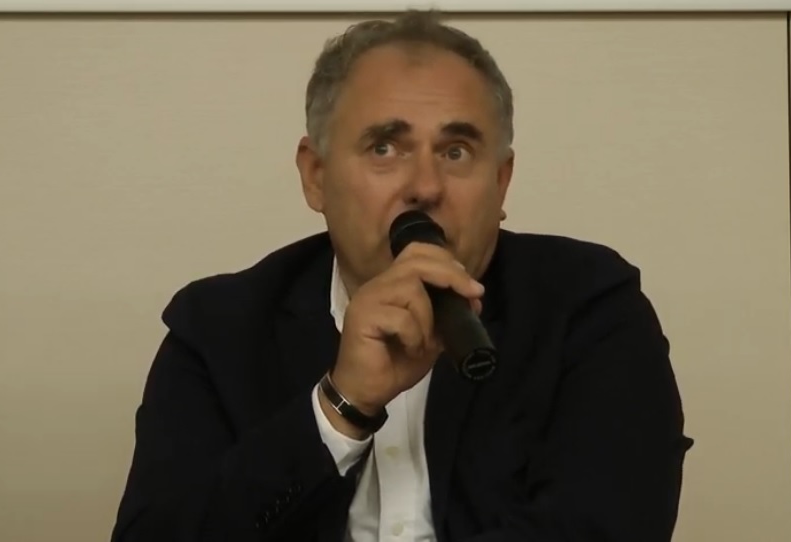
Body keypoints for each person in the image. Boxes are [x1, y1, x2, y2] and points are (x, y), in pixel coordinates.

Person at [110, 9, 693, 542]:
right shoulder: (217, 330)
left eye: (456, 151)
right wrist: (339, 407)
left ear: (501, 182)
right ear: (315, 176)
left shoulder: (588, 308)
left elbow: (606, 527)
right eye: (385, 148)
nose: (426, 187)